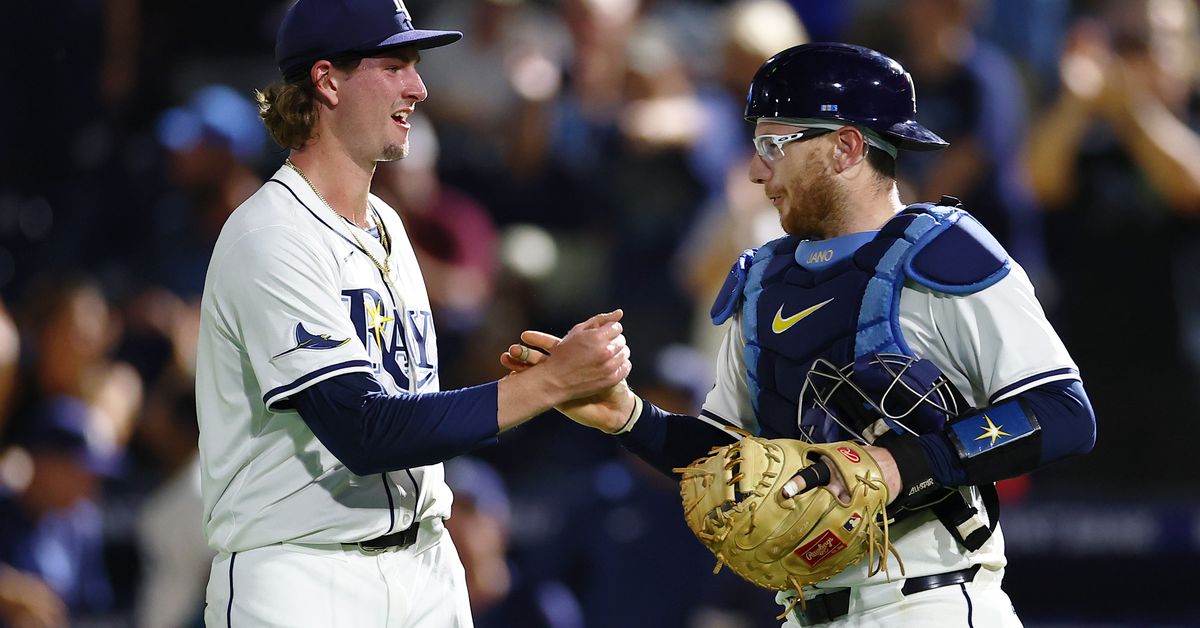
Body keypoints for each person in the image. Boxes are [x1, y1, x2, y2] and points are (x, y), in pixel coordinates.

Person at [506, 42, 1096, 626]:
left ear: (846, 147)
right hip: (801, 611)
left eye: (774, 145)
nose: (755, 169)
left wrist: (904, 462)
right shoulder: (764, 279)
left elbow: (1064, 413)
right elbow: (728, 458)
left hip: (928, 600)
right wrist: (630, 417)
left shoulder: (943, 253)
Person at [195, 1, 631, 626]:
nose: (419, 88)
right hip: (303, 573)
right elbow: (362, 430)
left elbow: (410, 409)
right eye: (395, 65)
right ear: (327, 81)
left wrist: (539, 377)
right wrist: (548, 385)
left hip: (424, 559)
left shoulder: (389, 226)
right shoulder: (272, 234)